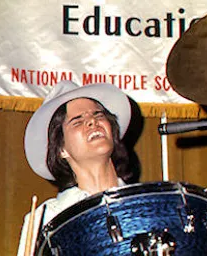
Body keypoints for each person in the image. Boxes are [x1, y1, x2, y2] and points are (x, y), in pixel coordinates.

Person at [17, 80, 132, 256]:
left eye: (99, 115)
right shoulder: (46, 217)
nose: (93, 121)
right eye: (77, 121)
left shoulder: (143, 201)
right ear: (61, 149)